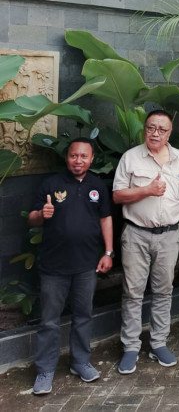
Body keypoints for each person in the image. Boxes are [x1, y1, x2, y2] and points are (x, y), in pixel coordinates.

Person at [29, 138, 113, 395]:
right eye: (74, 155)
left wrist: (108, 252)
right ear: (67, 157)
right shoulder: (51, 184)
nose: (78, 160)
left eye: (84, 156)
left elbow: (106, 218)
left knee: (83, 316)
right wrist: (41, 214)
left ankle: (80, 362)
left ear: (91, 159)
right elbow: (32, 218)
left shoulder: (97, 185)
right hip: (54, 267)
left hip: (86, 265)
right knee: (49, 321)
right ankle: (45, 370)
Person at [113, 110, 179, 374]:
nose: (155, 133)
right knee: (133, 292)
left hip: (168, 236)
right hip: (136, 234)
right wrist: (147, 190)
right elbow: (117, 196)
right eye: (151, 128)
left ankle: (158, 343)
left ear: (169, 133)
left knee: (163, 291)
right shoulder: (130, 157)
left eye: (162, 129)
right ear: (144, 129)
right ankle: (130, 347)